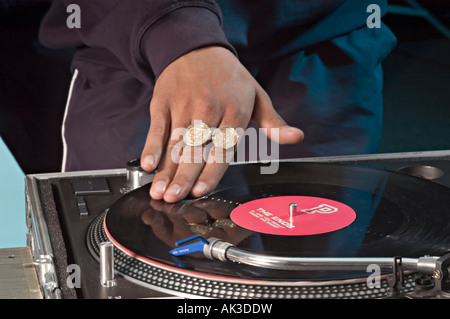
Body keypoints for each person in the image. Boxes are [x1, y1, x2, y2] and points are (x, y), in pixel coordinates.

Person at [39, 0, 396, 203]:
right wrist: (177, 31)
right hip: (143, 61)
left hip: (320, 51)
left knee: (318, 269)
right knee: (134, 264)